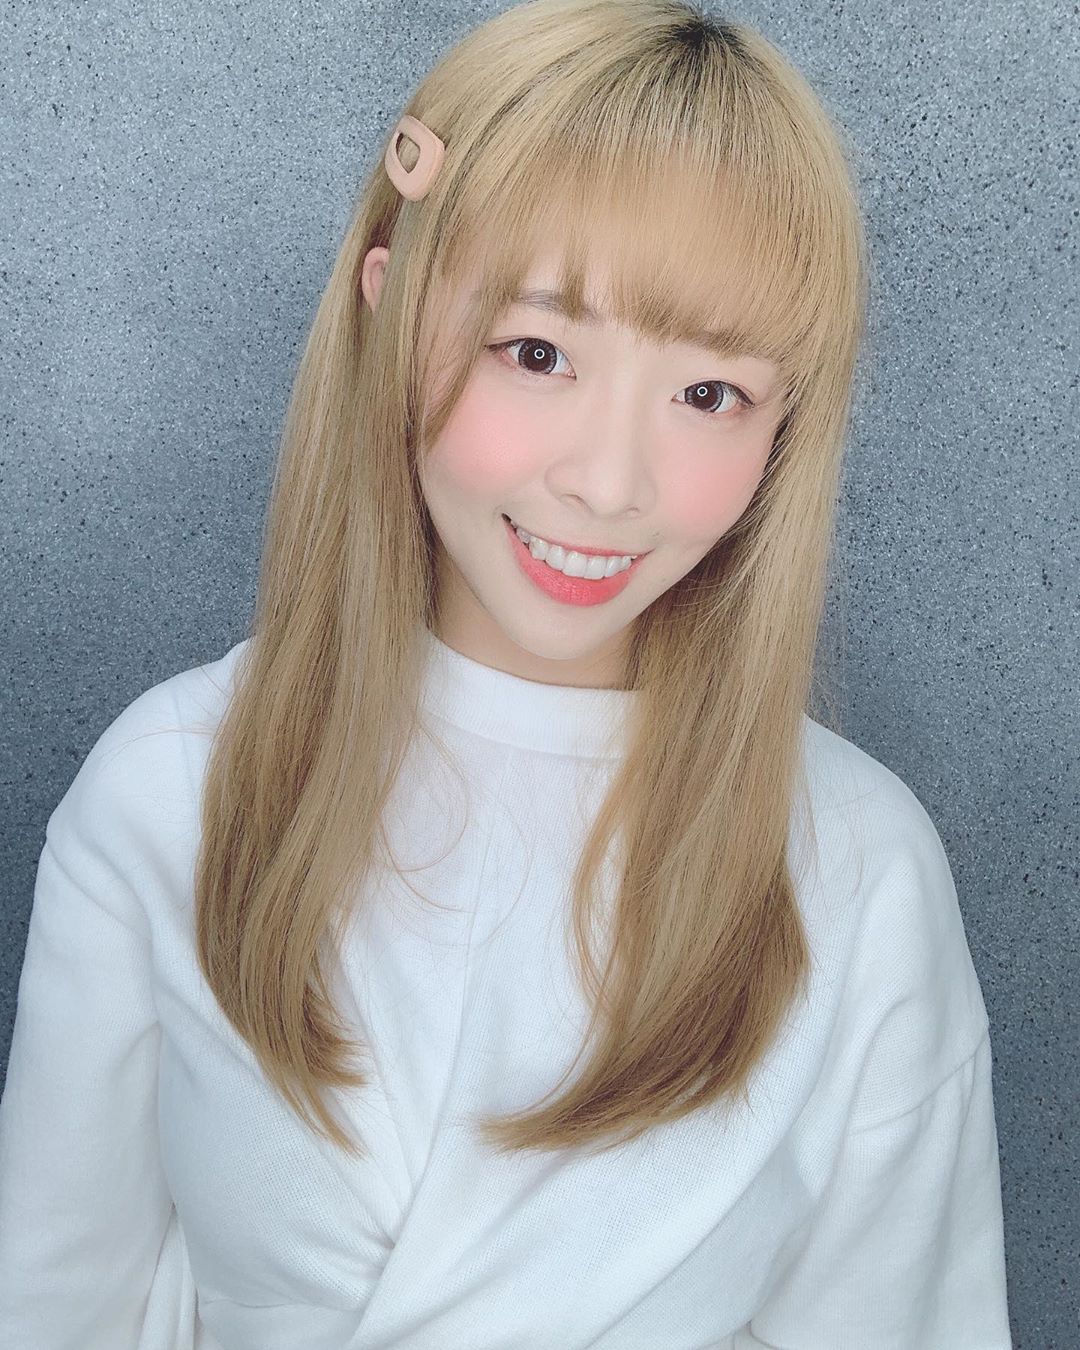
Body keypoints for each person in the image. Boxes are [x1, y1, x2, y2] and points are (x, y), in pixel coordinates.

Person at [0, 0, 1012, 1345]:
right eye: (538, 354)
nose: (608, 480)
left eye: (709, 394)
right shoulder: (170, 788)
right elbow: (51, 1305)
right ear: (389, 312)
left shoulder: (857, 866)